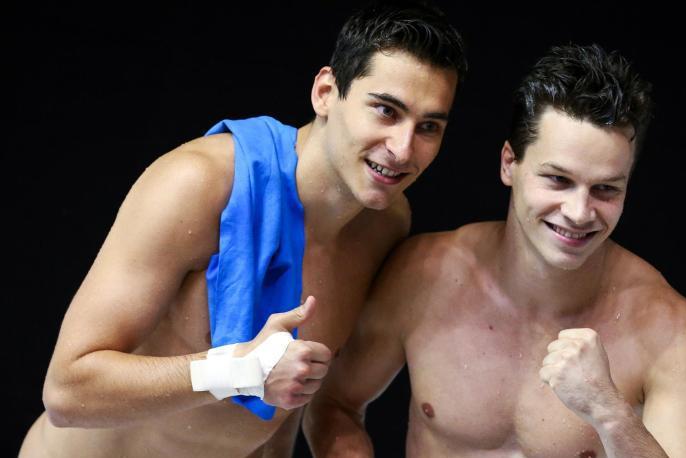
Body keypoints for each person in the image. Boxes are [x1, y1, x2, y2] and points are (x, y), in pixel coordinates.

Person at [19, 2, 467, 457]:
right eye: (386, 111)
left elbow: (286, 401)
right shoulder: (198, 185)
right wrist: (237, 371)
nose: (403, 149)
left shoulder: (384, 224)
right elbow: (66, 392)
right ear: (326, 92)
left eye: (428, 127)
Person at [305, 43, 686, 457]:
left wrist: (609, 413)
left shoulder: (669, 330)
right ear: (509, 164)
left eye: (605, 189)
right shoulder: (424, 274)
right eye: (558, 180)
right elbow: (334, 405)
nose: (579, 212)